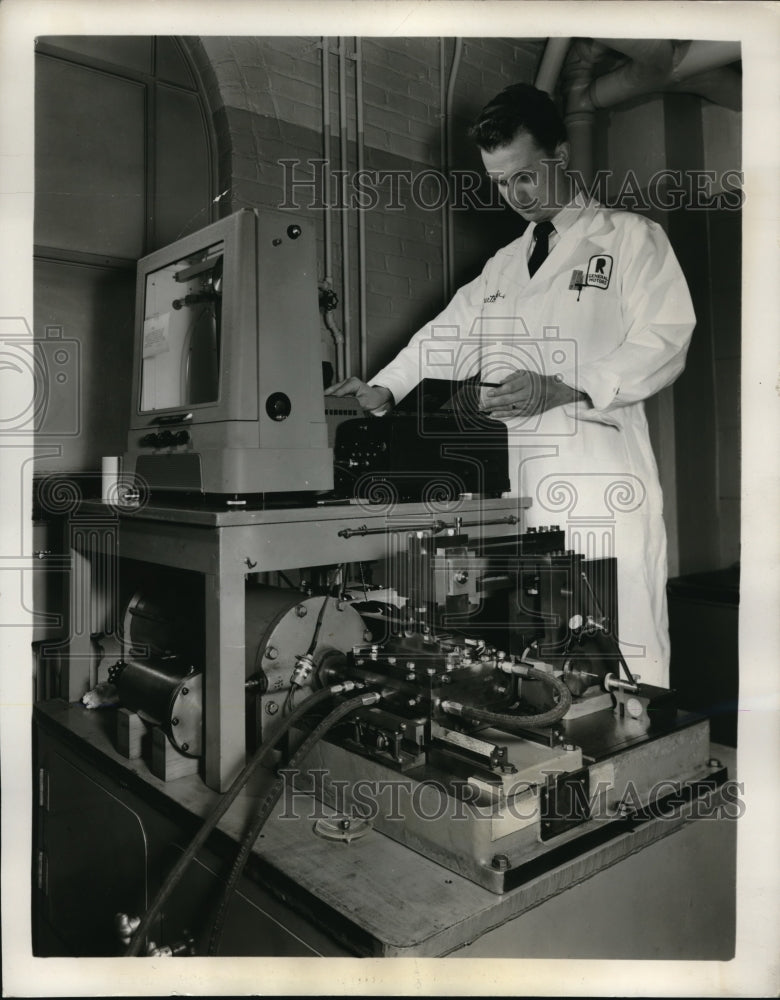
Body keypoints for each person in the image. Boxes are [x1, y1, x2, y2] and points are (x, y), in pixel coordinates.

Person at [326, 83, 695, 687]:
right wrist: (383, 389)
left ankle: (645, 762)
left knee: (624, 644)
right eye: (499, 182)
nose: (514, 195)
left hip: (601, 482)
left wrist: (565, 385)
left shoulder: (629, 238)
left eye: (525, 175)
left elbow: (666, 340)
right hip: (519, 491)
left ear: (561, 154)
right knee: (542, 655)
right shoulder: (502, 265)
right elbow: (441, 337)